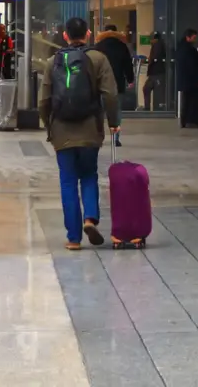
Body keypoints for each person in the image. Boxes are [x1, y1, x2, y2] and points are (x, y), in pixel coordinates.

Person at [39, 17, 120, 251]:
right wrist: (114, 122)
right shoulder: (99, 59)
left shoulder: (53, 61)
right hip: (90, 129)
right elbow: (111, 95)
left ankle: (73, 238)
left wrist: (49, 127)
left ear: (65, 35)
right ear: (88, 33)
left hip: (61, 131)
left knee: (67, 181)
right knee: (89, 174)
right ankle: (90, 218)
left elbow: (44, 101)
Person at [93, 24, 134, 144]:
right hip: (117, 83)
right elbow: (128, 65)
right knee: (116, 111)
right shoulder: (122, 46)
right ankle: (115, 137)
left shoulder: (98, 46)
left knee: (99, 111)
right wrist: (130, 79)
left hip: (100, 83)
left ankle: (98, 136)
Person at [175, 29, 198, 128]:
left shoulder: (180, 48)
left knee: (186, 100)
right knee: (192, 101)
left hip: (184, 79)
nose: (195, 39)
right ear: (188, 37)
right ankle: (191, 120)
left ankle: (184, 121)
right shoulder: (189, 50)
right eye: (194, 37)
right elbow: (193, 65)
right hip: (191, 80)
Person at [142, 32, 166, 111]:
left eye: (151, 39)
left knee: (152, 90)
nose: (150, 41)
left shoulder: (157, 45)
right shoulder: (158, 45)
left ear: (155, 39)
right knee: (147, 88)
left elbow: (154, 57)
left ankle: (154, 108)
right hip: (154, 73)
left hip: (157, 72)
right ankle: (148, 107)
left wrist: (147, 60)